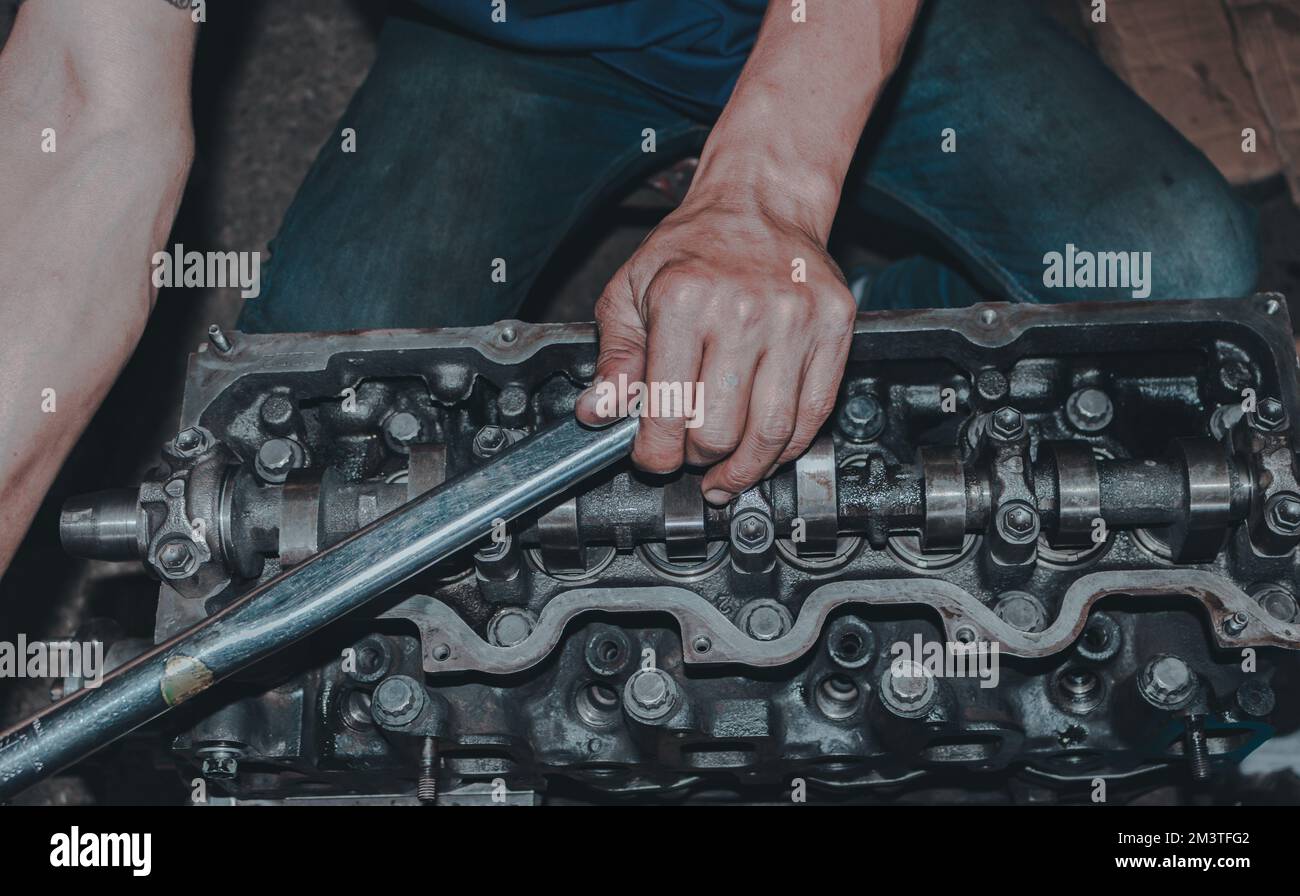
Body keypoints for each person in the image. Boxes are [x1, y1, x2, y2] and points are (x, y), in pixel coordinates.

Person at [0, 0, 1258, 576]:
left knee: (1183, 283)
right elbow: (86, 106)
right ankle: (682, 377)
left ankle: (842, 352)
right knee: (308, 442)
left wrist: (767, 189)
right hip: (505, 38)